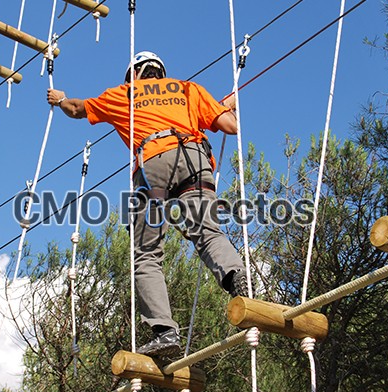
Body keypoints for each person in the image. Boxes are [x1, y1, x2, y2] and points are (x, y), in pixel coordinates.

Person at [46, 51, 248, 357]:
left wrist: (60, 99)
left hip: (152, 160)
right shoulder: (188, 89)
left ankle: (165, 331)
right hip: (194, 157)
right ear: (160, 72)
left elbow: (76, 109)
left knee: (146, 254)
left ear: (135, 74)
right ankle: (238, 279)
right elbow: (230, 125)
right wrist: (222, 106)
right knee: (208, 233)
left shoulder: (124, 93)